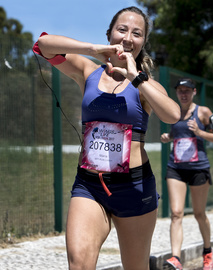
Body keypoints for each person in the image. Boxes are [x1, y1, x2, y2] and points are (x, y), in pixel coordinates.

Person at [33, 6, 180, 270]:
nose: (128, 37)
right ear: (110, 33)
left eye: (137, 33)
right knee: (79, 264)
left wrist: (137, 78)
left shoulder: (145, 85)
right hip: (90, 185)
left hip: (134, 188)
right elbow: (44, 45)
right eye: (122, 29)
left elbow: (172, 114)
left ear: (143, 43)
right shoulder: (89, 71)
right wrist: (92, 49)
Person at [160, 78, 213, 270]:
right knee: (176, 213)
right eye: (180, 91)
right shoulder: (173, 111)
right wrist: (168, 137)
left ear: (194, 92)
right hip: (176, 167)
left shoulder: (203, 112)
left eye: (187, 91)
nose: (183, 94)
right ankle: (176, 258)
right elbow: (177, 133)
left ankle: (208, 251)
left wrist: (200, 133)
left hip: (198, 168)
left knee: (199, 213)